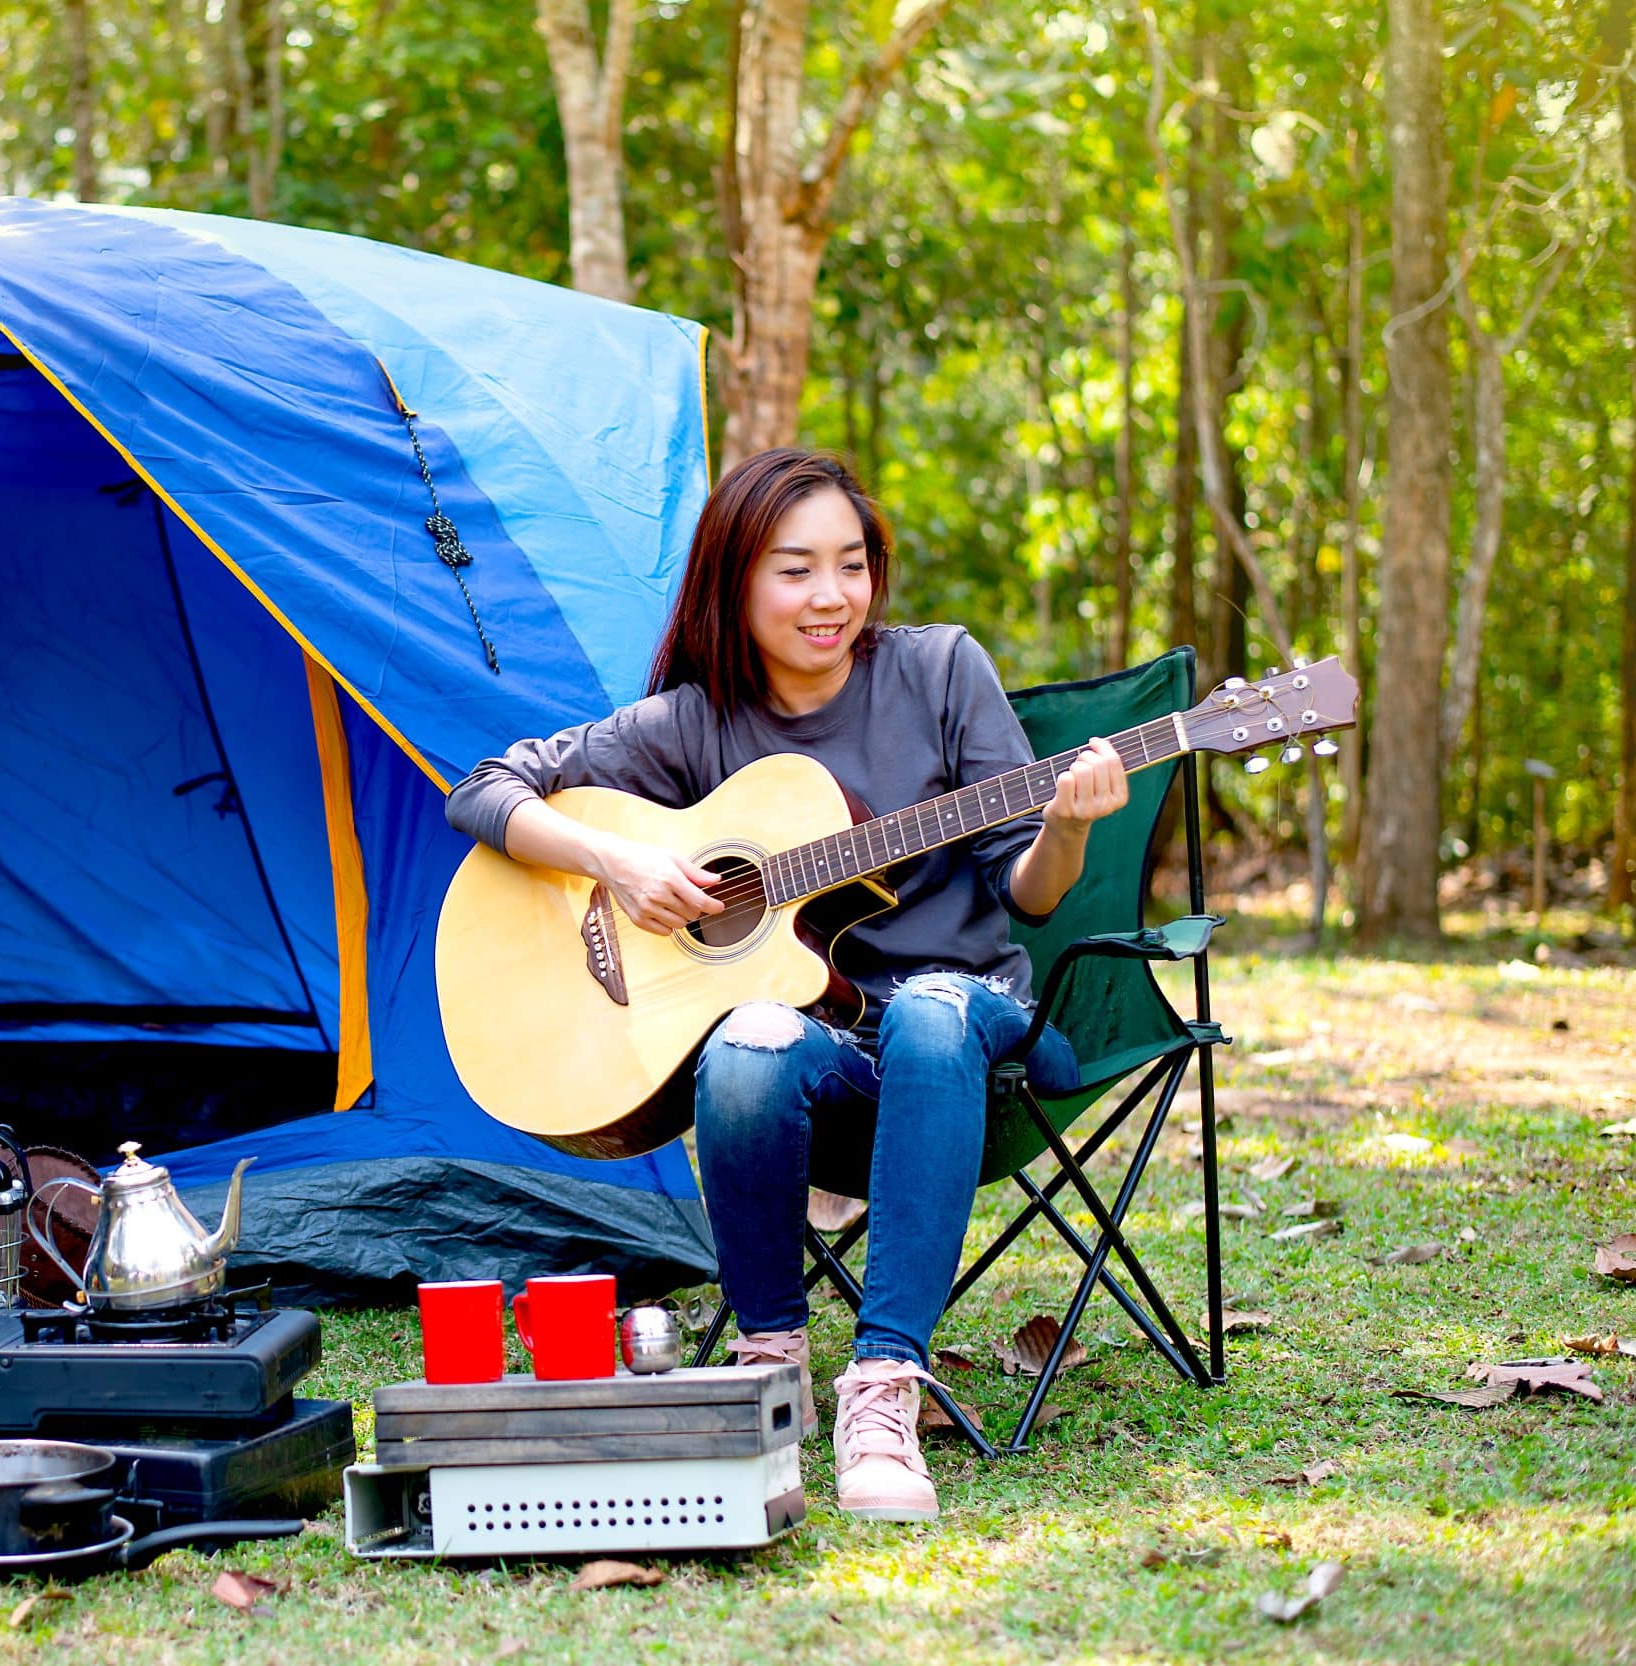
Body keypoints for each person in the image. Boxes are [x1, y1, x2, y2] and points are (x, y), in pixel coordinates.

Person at [445, 448, 1127, 1523]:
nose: (830, 598)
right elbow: (484, 789)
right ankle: (772, 1359)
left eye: (850, 566)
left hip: (973, 1038)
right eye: (795, 569)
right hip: (829, 1066)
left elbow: (1028, 894)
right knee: (750, 1030)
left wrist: (1068, 823)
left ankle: (885, 1389)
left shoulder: (942, 671)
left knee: (932, 1011)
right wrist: (618, 863)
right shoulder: (691, 722)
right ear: (735, 579)